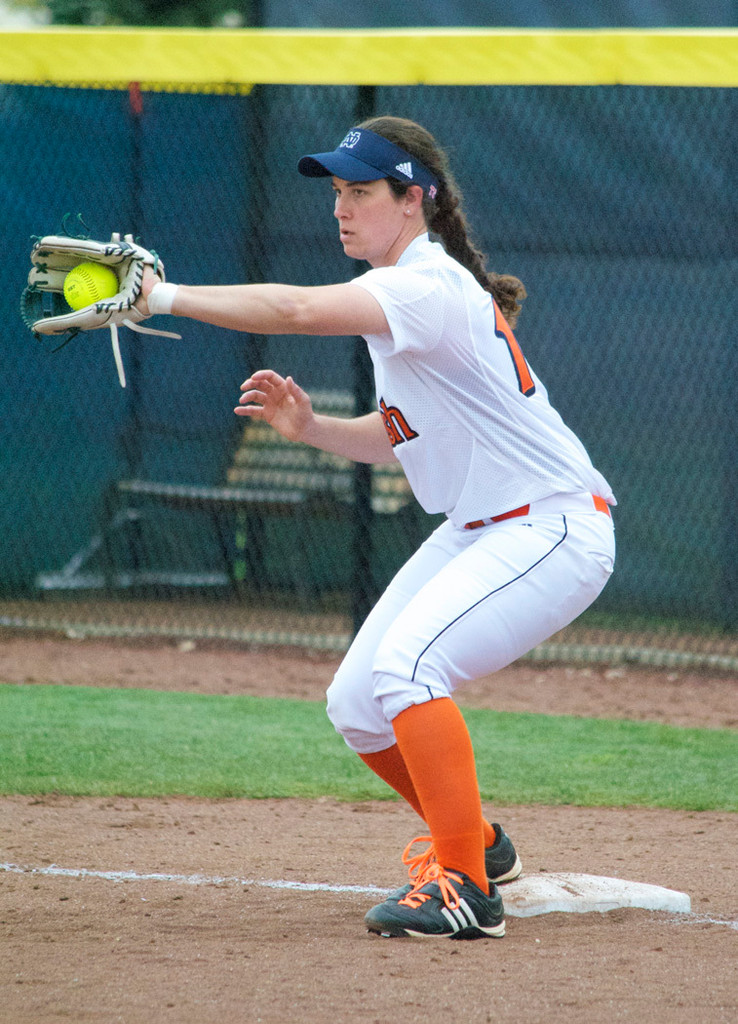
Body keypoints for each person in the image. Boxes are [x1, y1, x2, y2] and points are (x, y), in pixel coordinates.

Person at [139, 115, 616, 940]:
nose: (341, 208)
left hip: (552, 527)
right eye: (336, 193)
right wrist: (313, 429)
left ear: (413, 201)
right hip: (484, 526)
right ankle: (480, 844)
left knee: (408, 668)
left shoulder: (423, 286)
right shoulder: (410, 295)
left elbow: (289, 307)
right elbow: (402, 435)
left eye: (361, 191)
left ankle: (467, 889)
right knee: (357, 703)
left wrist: (161, 297)